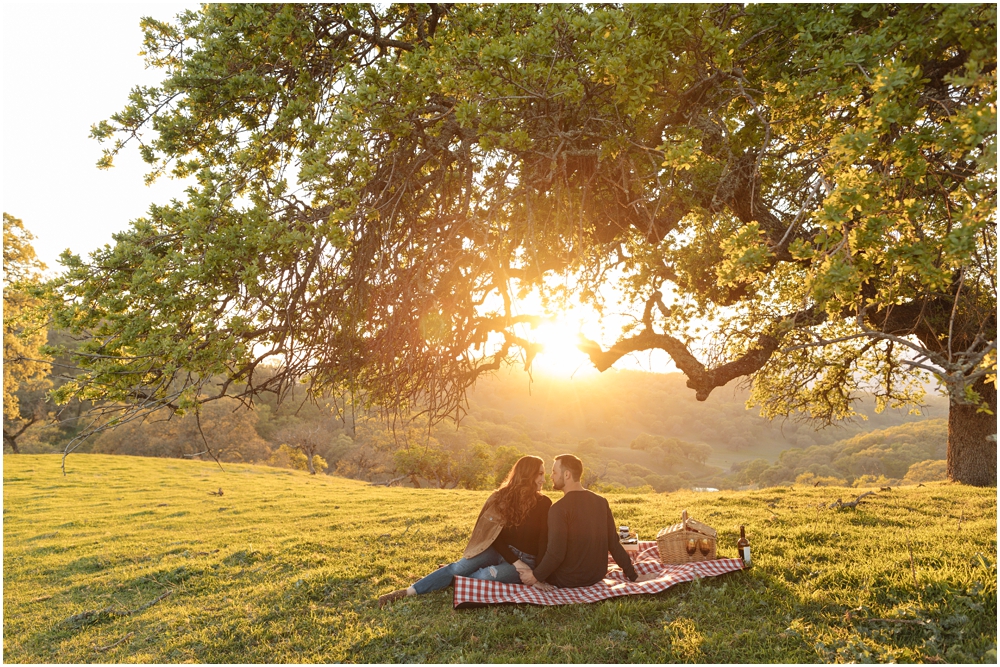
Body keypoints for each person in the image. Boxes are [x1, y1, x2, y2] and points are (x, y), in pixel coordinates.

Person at [378, 455, 552, 606]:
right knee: (457, 568)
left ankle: (447, 580)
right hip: (500, 550)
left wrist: (538, 575)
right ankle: (407, 592)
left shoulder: (544, 503)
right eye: (540, 474)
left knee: (485, 576)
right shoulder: (501, 498)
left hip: (526, 560)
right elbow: (493, 537)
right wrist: (516, 562)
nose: (544, 479)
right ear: (527, 474)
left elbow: (544, 541)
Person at [520, 454, 657, 589]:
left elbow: (556, 554)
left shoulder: (558, 509)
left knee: (544, 533)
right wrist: (633, 575)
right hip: (596, 576)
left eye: (554, 472)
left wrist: (536, 576)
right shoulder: (601, 502)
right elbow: (613, 543)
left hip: (567, 579)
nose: (551, 477)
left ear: (567, 475)